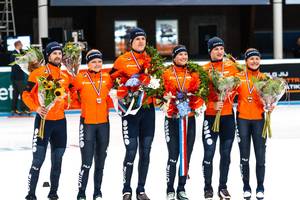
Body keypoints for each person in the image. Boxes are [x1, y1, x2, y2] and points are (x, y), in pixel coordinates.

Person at [110, 27, 155, 200]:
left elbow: (158, 82)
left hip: (148, 111)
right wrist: (121, 93)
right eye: (137, 39)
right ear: (131, 42)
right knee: (131, 150)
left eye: (143, 39)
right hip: (130, 112)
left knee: (146, 150)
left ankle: (141, 189)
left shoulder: (151, 59)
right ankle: (126, 189)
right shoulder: (122, 60)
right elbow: (111, 80)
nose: (141, 41)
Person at [22, 41, 70, 200]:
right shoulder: (38, 73)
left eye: (59, 53)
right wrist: (36, 108)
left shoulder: (65, 75)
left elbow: (70, 94)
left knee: (57, 161)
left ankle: (53, 193)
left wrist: (67, 101)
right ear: (48, 55)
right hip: (43, 122)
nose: (58, 56)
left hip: (60, 123)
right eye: (54, 53)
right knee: (38, 160)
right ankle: (30, 195)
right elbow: (25, 95)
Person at [162, 45, 204, 200]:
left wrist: (198, 104)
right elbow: (159, 95)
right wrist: (164, 101)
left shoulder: (193, 73)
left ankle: (181, 188)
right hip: (172, 119)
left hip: (189, 119)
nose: (183, 57)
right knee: (173, 155)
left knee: (186, 155)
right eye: (180, 54)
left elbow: (200, 93)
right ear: (174, 57)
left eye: (185, 54)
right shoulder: (166, 73)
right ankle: (169, 189)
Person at [202, 37, 239, 200]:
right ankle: (207, 187)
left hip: (228, 117)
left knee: (226, 154)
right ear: (210, 51)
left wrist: (231, 92)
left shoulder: (232, 67)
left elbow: (240, 87)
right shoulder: (203, 70)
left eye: (221, 48)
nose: (219, 51)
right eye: (216, 49)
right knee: (209, 153)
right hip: (210, 118)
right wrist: (211, 105)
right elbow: (198, 95)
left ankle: (222, 187)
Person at [72, 49, 113, 200]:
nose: (97, 64)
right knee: (87, 162)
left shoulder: (108, 77)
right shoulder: (80, 78)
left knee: (100, 161)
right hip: (87, 124)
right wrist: (82, 105)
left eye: (99, 61)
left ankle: (97, 192)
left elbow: (115, 95)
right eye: (93, 61)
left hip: (103, 124)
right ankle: (81, 192)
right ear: (88, 63)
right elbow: (70, 94)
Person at [236, 48, 272, 200]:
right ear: (246, 61)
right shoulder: (237, 78)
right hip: (242, 119)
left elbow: (271, 99)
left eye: (257, 58)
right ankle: (246, 186)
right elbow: (229, 95)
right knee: (244, 156)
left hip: (259, 120)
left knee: (260, 156)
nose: (254, 61)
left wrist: (270, 105)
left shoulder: (265, 78)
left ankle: (260, 186)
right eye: (251, 59)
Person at [10, 40, 29, 114]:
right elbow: (16, 66)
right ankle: (24, 109)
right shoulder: (14, 54)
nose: (22, 46)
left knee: (16, 94)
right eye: (21, 44)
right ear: (18, 45)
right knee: (23, 93)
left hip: (16, 77)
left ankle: (13, 109)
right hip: (18, 78)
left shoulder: (17, 53)